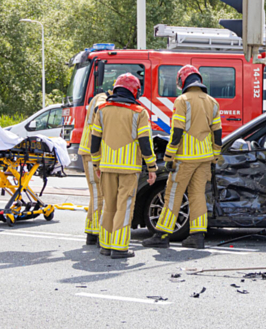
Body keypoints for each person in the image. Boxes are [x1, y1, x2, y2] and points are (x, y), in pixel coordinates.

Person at [144, 65, 222, 250]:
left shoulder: (182, 100)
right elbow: (217, 133)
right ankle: (197, 236)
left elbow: (177, 131)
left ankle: (162, 234)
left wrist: (170, 155)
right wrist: (215, 155)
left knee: (173, 194)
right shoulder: (213, 102)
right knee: (198, 195)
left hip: (185, 158)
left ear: (182, 81)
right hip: (205, 158)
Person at [89, 74, 156, 259]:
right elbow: (145, 144)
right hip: (129, 169)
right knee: (124, 207)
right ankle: (119, 248)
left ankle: (105, 245)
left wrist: (96, 163)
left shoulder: (101, 109)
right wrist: (151, 168)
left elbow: (94, 141)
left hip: (106, 167)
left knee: (108, 206)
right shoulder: (139, 112)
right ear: (134, 91)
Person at [80, 89, 108, 246]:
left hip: (88, 151)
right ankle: (97, 233)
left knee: (95, 194)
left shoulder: (98, 97)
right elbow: (100, 108)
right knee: (99, 194)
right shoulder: (103, 98)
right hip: (92, 153)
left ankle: (91, 233)